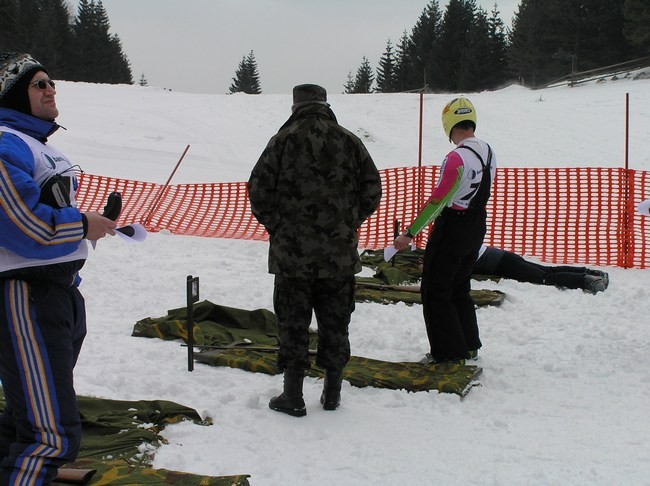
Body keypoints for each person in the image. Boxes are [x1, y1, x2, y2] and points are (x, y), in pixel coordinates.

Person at [0, 52, 116, 484]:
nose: (50, 90)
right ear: (14, 94)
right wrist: (84, 223)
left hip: (56, 292)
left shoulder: (39, 146)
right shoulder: (5, 142)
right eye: (38, 84)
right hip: (24, 293)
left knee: (24, 415)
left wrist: (85, 226)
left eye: (51, 83)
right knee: (48, 434)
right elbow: (20, 223)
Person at [248, 84, 382, 417]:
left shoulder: (282, 141)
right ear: (324, 104)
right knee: (336, 322)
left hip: (292, 258)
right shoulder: (350, 141)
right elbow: (372, 189)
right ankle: (332, 392)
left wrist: (279, 227)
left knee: (292, 324)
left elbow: (258, 190)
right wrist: (347, 223)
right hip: (338, 256)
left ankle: (292, 396)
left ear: (296, 106)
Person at [393, 97, 496, 364]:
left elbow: (437, 202)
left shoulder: (455, 158)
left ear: (449, 125)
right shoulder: (488, 151)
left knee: (435, 289)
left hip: (453, 225)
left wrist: (409, 233)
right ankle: (469, 343)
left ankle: (448, 352)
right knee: (459, 285)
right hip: (476, 223)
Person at [474, 245, 609, 294]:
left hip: (503, 264)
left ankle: (587, 280)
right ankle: (588, 272)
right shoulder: (461, 241)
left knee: (545, 278)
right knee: (547, 271)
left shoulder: (456, 249)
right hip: (504, 258)